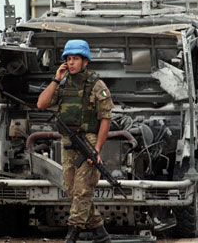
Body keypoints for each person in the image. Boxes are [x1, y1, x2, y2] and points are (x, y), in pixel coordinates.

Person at [37, 39, 114, 243]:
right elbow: (41, 104)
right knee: (72, 192)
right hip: (68, 142)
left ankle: (72, 234)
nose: (71, 63)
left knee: (82, 191)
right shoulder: (62, 85)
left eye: (75, 59)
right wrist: (55, 79)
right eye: (68, 59)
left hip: (87, 140)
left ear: (85, 62)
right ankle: (100, 232)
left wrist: (97, 149)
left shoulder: (96, 85)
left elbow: (105, 119)